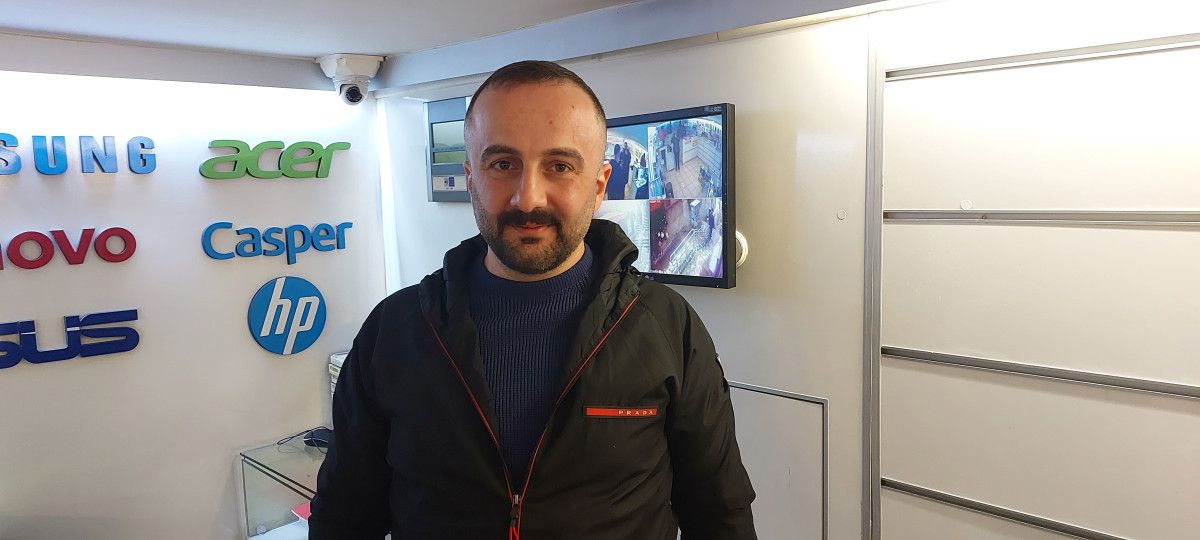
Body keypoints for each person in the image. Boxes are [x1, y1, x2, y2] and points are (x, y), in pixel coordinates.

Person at [308, 60, 756, 540]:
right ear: (471, 177)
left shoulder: (666, 324)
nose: (528, 198)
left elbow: (720, 514)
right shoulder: (395, 330)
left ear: (599, 185)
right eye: (503, 164)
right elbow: (344, 516)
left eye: (559, 166)